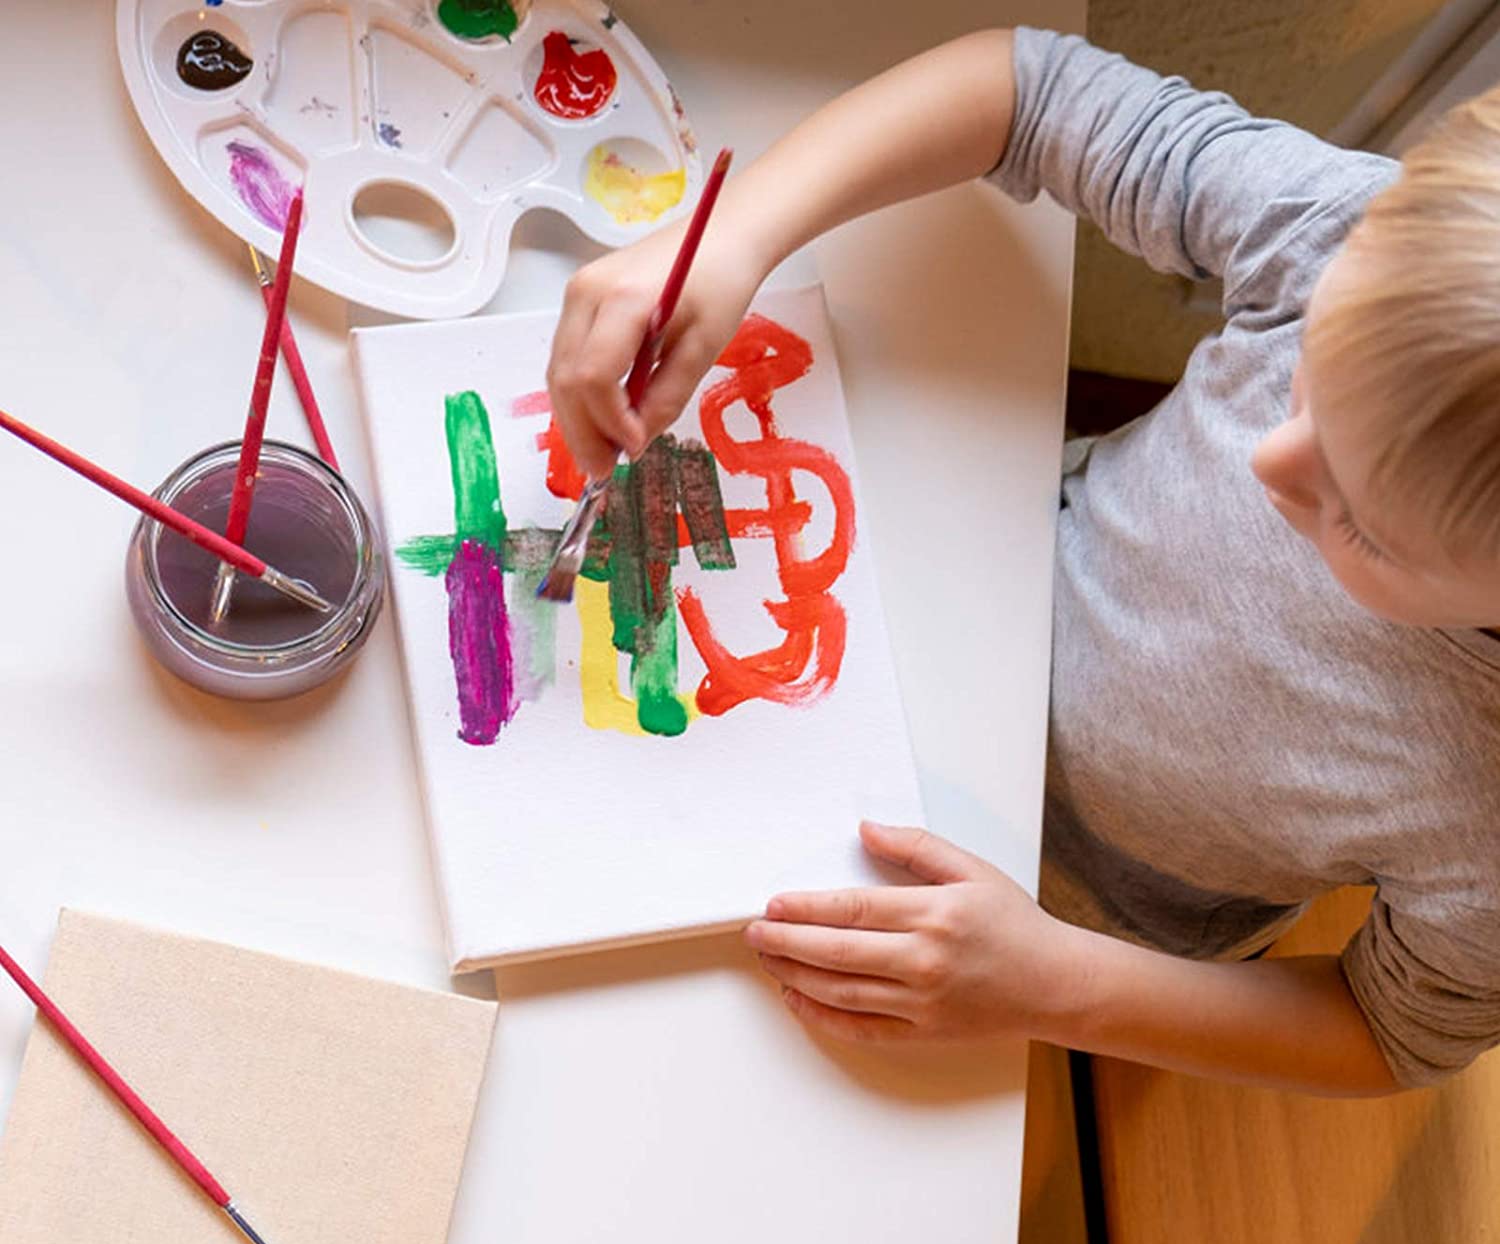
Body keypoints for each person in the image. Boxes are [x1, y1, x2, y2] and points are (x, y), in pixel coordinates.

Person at [545, 28, 1500, 1096]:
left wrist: (1051, 983)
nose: (1271, 462)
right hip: (958, 589)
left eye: (1358, 521)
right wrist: (733, 236)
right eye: (1306, 378)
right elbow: (1025, 91)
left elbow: (1387, 1033)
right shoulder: (1355, 241)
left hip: (1051, 927)